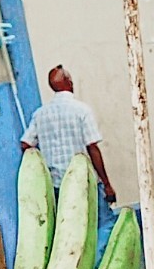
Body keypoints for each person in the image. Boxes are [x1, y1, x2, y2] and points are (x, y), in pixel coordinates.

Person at [21, 65, 117, 204]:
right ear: (69, 82)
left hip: (56, 184)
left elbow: (26, 144)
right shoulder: (82, 111)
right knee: (102, 222)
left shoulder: (40, 115)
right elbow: (92, 148)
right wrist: (106, 184)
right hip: (84, 181)